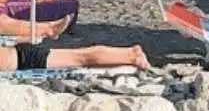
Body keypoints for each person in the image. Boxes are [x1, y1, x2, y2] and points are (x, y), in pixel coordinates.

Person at [0, 42, 150, 71]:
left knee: (82, 58)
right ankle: (129, 52)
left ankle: (131, 56)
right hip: (22, 56)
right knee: (82, 56)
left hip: (25, 58)